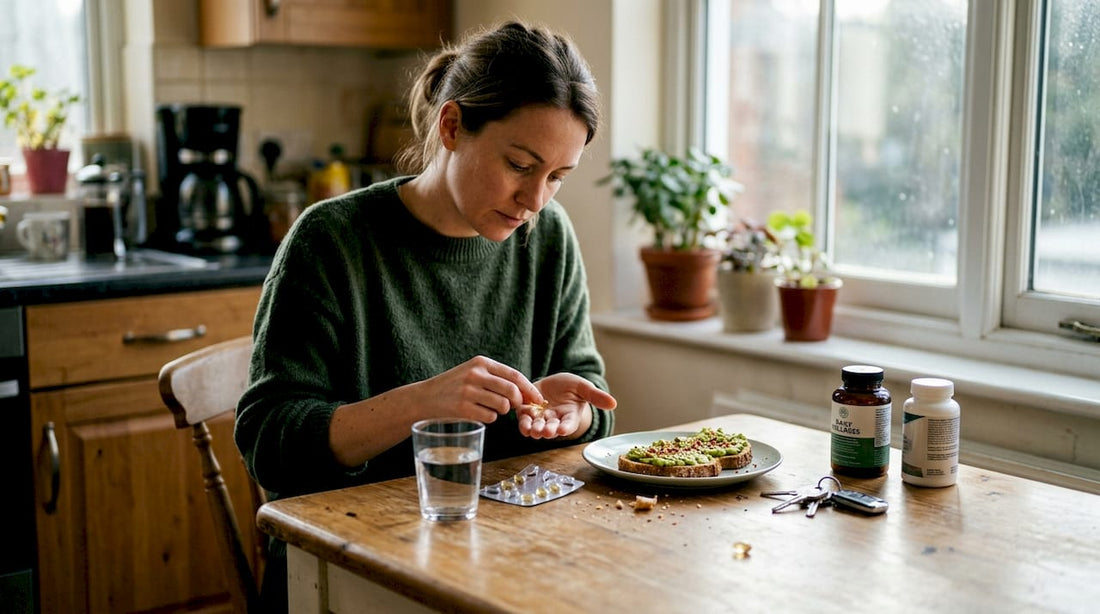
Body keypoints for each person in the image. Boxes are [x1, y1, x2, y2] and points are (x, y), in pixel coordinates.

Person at [235, 20, 618, 610]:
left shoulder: (548, 239)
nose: (535, 200)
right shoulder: (331, 241)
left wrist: (569, 414)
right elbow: (269, 440)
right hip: (350, 569)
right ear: (452, 125)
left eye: (557, 178)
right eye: (520, 164)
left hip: (504, 558)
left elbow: (587, 391)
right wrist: (421, 404)